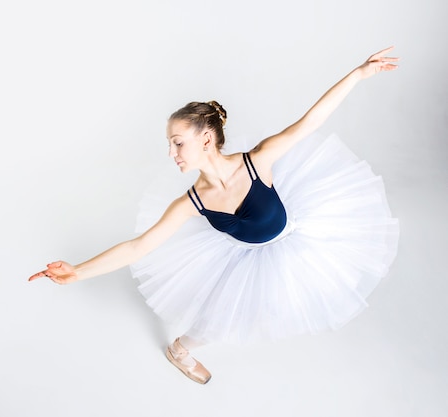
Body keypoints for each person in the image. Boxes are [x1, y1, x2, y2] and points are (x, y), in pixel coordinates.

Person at [29, 47, 400, 384]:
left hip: (295, 238)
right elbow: (137, 247)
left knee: (280, 303)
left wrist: (358, 74)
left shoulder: (258, 161)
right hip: (245, 257)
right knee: (223, 317)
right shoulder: (190, 202)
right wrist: (78, 271)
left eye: (177, 143)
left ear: (206, 139)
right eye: (170, 145)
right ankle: (180, 349)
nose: (172, 152)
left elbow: (310, 121)